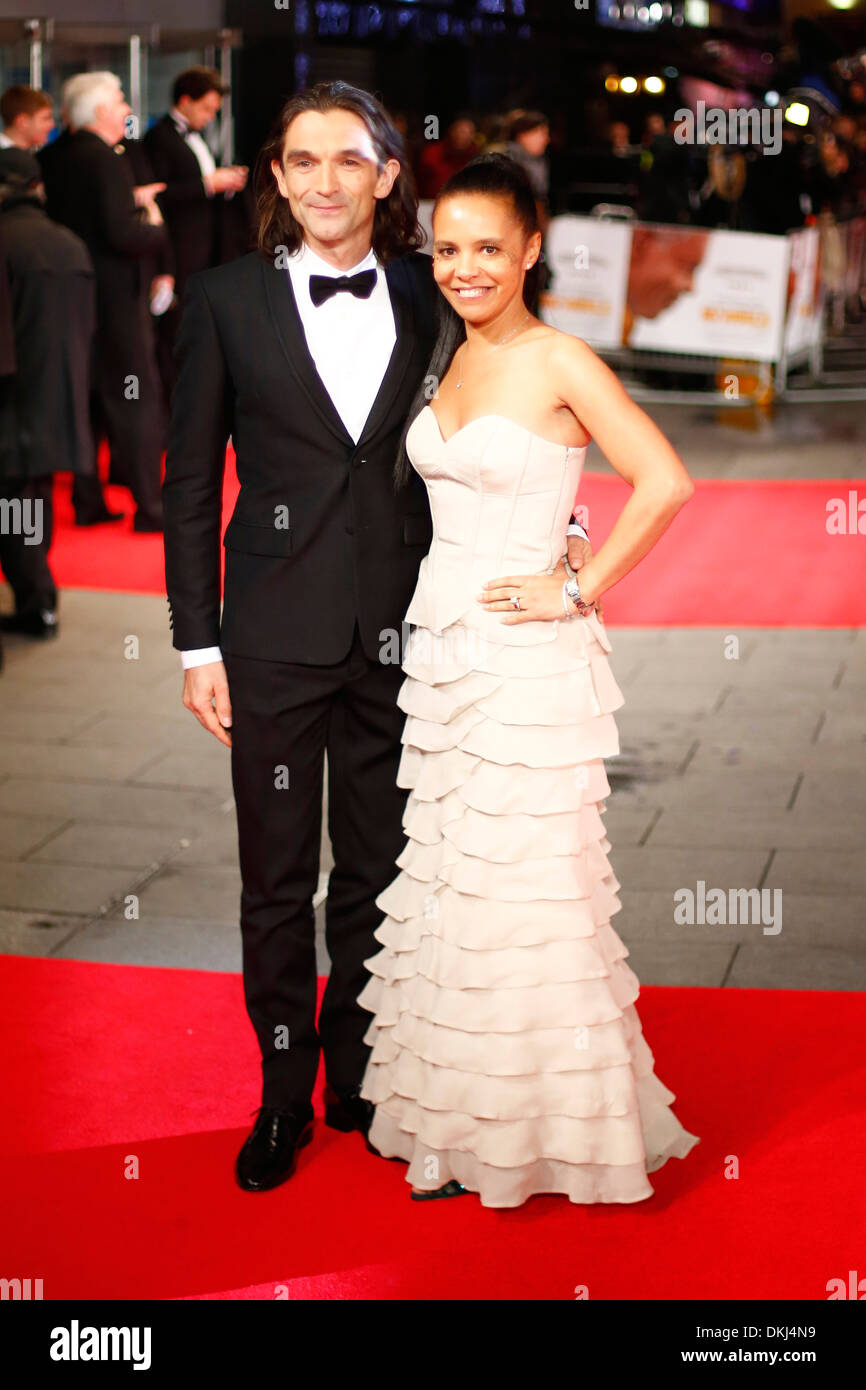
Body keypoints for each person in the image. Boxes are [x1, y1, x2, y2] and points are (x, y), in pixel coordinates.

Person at [163, 84, 590, 1194]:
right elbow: (190, 485)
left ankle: (357, 1070)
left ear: (388, 174)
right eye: (299, 161)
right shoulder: (220, 301)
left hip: (407, 637)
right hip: (267, 638)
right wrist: (193, 646)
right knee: (273, 882)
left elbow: (505, 419)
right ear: (275, 175)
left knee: (374, 872)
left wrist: (564, 538)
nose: (321, 182)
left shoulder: (432, 287)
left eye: (346, 161)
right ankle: (276, 1093)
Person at [358, 153, 700, 1205]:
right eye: (447, 249)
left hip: (526, 663)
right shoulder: (445, 357)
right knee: (458, 886)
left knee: (532, 892)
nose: (464, 269)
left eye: (487, 250)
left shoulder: (559, 359)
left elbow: (664, 480)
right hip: (443, 656)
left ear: (531, 249)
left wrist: (580, 585)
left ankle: (554, 1134)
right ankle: (459, 1128)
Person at [39, 72, 166, 531]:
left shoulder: (53, 157)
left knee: (89, 400)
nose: (127, 110)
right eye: (118, 102)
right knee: (137, 400)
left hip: (72, 297)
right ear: (98, 113)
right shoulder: (106, 160)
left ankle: (88, 500)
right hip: (115, 300)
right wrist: (152, 219)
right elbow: (124, 233)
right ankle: (151, 508)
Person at [0, 150, 95, 642]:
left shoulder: (6, 241)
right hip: (62, 391)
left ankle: (37, 601)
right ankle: (41, 600)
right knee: (33, 501)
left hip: (14, 396)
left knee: (14, 503)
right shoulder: (69, 243)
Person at [143, 66, 249, 406]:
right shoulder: (159, 137)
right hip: (176, 249)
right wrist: (207, 184)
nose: (210, 116)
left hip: (206, 249)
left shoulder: (199, 137)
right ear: (185, 101)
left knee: (196, 331)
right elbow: (157, 195)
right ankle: (173, 407)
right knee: (173, 332)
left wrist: (225, 183)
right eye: (206, 109)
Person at [0, 86, 54, 151]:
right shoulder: (10, 158)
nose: (52, 125)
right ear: (22, 122)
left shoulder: (19, 155)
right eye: (45, 118)